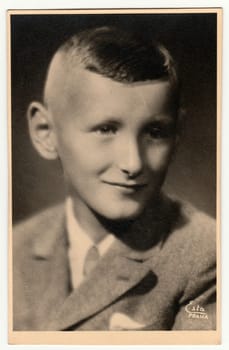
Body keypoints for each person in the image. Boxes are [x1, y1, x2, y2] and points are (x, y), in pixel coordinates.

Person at [13, 26, 216, 331]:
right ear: (45, 133)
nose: (132, 163)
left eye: (155, 132)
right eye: (106, 129)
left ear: (177, 134)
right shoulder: (14, 248)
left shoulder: (207, 256)